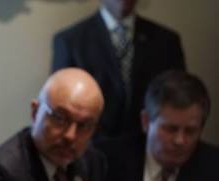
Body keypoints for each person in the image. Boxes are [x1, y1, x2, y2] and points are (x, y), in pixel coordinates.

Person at [100, 70, 219, 181]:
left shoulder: (212, 170)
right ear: (146, 121)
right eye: (170, 129)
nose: (180, 140)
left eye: (191, 131)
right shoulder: (106, 161)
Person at [52, 0, 185, 141]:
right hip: (91, 151)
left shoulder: (166, 41)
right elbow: (62, 106)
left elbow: (180, 102)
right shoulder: (70, 42)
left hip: (148, 150)